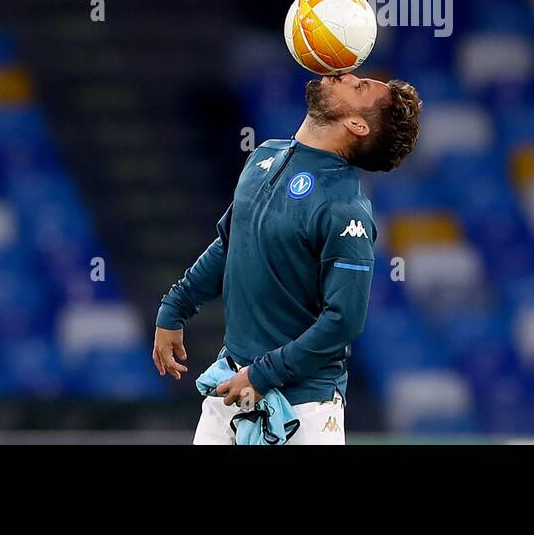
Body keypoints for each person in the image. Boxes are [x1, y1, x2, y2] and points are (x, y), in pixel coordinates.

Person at [152, 73, 422, 444]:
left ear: (357, 125)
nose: (344, 75)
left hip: (304, 411)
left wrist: (264, 374)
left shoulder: (347, 209)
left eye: (358, 87)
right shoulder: (265, 154)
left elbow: (344, 321)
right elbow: (231, 245)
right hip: (230, 387)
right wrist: (176, 305)